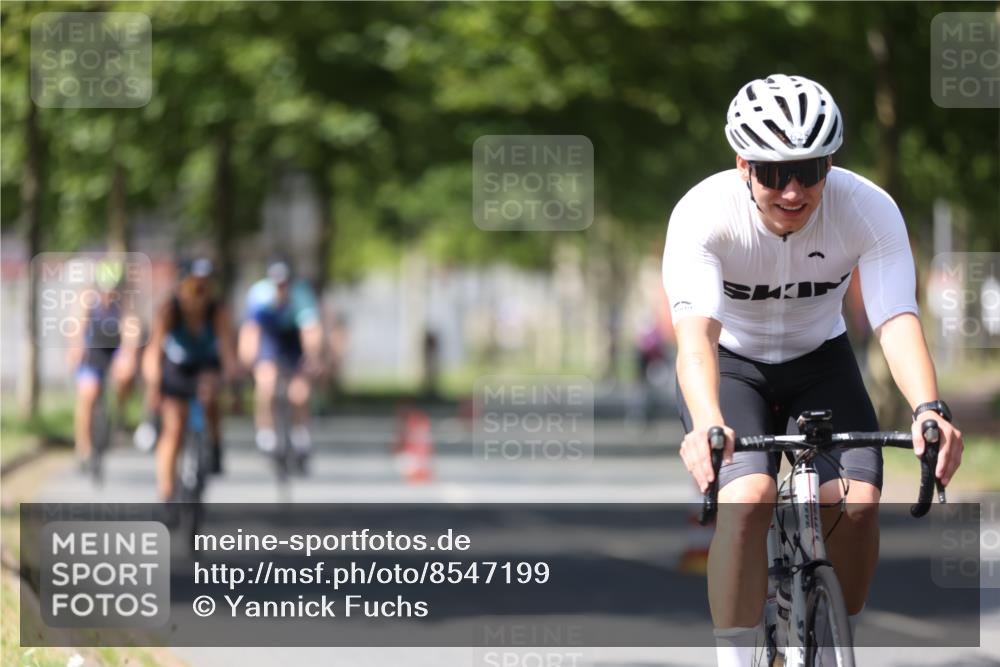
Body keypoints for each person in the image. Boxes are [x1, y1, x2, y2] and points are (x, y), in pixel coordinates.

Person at [662, 74, 964, 666]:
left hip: (821, 361)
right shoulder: (703, 213)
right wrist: (707, 422)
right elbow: (696, 337)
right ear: (744, 165)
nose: (794, 191)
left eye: (809, 170)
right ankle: (734, 658)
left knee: (858, 502)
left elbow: (895, 318)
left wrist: (929, 409)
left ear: (831, 165)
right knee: (748, 497)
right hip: (731, 366)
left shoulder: (867, 208)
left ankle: (830, 640)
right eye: (774, 174)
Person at [141, 258, 237, 501]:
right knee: (173, 426)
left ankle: (214, 445)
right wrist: (153, 386)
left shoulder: (217, 311)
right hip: (177, 368)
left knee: (210, 397)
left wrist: (232, 382)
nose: (199, 294)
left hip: (206, 365)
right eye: (195, 286)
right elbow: (153, 353)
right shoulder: (169, 311)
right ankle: (167, 491)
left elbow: (227, 352)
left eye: (205, 287)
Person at [238, 259, 323, 471]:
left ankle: (300, 434)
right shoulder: (260, 294)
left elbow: (310, 330)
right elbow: (251, 330)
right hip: (270, 337)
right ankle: (266, 433)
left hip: (293, 339)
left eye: (284, 283)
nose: (281, 287)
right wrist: (248, 358)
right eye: (277, 283)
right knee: (266, 384)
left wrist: (312, 357)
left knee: (299, 392)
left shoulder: (301, 294)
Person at [69, 258, 139, 469]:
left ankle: (119, 416)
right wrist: (76, 348)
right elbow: (77, 328)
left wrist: (128, 355)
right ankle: (83, 446)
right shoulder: (87, 299)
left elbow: (131, 329)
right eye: (105, 289)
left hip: (114, 349)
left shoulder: (125, 301)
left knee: (125, 377)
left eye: (114, 289)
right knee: (88, 393)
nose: (109, 294)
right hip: (92, 350)